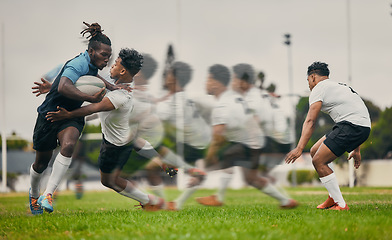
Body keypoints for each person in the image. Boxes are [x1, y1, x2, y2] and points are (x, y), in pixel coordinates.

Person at [46, 48, 166, 211]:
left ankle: (150, 201)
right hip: (124, 137)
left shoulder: (121, 96)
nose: (111, 66)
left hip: (114, 147)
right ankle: (157, 173)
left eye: (115, 64)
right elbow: (91, 79)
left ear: (123, 70)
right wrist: (55, 87)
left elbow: (93, 108)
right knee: (132, 142)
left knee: (109, 181)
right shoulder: (114, 81)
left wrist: (68, 115)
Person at [29, 22, 114, 215]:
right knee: (41, 163)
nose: (107, 60)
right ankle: (34, 193)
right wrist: (89, 98)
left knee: (68, 146)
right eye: (104, 55)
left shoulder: (92, 64)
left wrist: (112, 87)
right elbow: (63, 87)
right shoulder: (78, 63)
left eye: (109, 56)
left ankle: (48, 194)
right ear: (91, 51)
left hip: (71, 116)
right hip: (49, 115)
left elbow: (92, 79)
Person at [195, 64, 298, 209]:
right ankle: (286, 201)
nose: (232, 83)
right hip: (269, 141)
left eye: (235, 79)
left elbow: (253, 121)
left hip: (270, 141)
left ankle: (217, 197)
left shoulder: (251, 98)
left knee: (224, 157)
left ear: (243, 82)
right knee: (251, 178)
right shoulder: (254, 95)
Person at [285, 61, 371, 210]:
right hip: (360, 126)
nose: (309, 85)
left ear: (312, 77)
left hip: (351, 126)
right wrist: (356, 149)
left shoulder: (319, 88)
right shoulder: (339, 86)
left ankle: (341, 205)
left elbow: (310, 121)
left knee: (318, 161)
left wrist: (299, 148)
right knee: (314, 151)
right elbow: (357, 111)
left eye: (308, 81)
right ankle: (332, 197)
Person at [147, 61, 210, 210]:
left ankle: (168, 202)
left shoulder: (175, 101)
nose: (166, 77)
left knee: (153, 163)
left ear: (174, 79)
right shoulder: (185, 98)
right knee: (154, 167)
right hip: (194, 146)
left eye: (168, 74)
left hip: (188, 148)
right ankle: (172, 201)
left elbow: (157, 117)